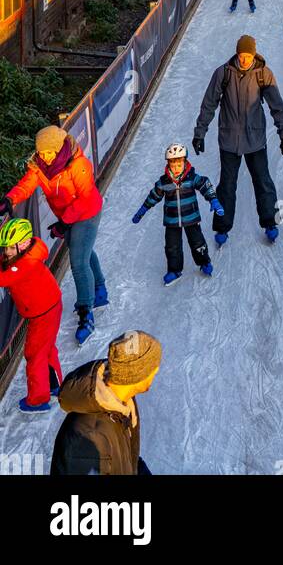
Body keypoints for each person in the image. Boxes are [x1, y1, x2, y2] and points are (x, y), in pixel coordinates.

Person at [1, 125, 105, 347]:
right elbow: (27, 184)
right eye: (41, 153)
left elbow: (85, 198)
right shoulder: (39, 166)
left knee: (77, 262)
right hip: (66, 216)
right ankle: (100, 286)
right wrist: (10, 199)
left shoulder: (78, 165)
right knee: (83, 250)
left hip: (86, 213)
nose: (45, 157)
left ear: (59, 149)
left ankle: (86, 312)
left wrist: (64, 223)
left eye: (49, 153)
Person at [193, 35, 283, 246]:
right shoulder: (223, 73)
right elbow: (209, 103)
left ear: (254, 54)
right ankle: (222, 227)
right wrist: (199, 133)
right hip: (229, 139)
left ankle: (270, 223)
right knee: (226, 186)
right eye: (242, 55)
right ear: (237, 54)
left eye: (248, 55)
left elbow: (277, 106)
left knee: (263, 181)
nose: (245, 60)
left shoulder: (263, 74)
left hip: (255, 138)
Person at [50, 330, 161, 476]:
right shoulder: (89, 440)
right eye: (153, 366)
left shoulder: (122, 401)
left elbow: (125, 455)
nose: (157, 369)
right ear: (138, 374)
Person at [131, 143, 222, 284]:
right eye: (173, 166)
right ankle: (174, 270)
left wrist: (213, 200)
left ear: (185, 162)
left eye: (179, 165)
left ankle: (204, 262)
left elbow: (205, 185)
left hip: (191, 218)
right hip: (171, 220)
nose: (176, 168)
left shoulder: (192, 178)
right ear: (168, 164)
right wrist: (142, 210)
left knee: (198, 242)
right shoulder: (164, 182)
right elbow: (153, 196)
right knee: (172, 247)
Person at [0, 217, 62, 412]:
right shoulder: (26, 253)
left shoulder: (24, 264)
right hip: (48, 307)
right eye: (4, 248)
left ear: (24, 244)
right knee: (46, 349)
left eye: (10, 248)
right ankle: (54, 384)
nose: (6, 253)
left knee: (34, 354)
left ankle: (38, 400)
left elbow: (3, 277)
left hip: (43, 313)